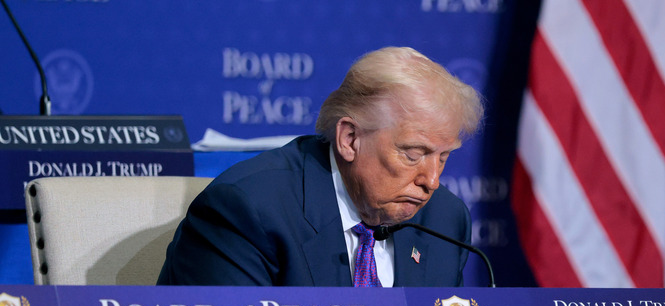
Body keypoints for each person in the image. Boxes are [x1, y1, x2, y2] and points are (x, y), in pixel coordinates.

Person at [157, 46, 484, 287]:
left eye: (443, 157)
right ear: (350, 139)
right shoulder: (247, 212)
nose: (432, 180)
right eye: (414, 154)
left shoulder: (445, 220)